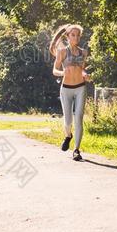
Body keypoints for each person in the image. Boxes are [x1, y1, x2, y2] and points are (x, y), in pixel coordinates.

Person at [49, 23, 90, 161]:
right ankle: (68, 136)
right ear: (67, 36)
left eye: (78, 35)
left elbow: (82, 68)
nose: (76, 37)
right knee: (68, 122)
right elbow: (54, 70)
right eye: (73, 34)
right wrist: (62, 72)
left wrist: (85, 74)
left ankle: (76, 150)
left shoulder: (83, 52)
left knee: (78, 118)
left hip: (80, 87)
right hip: (66, 89)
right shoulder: (62, 52)